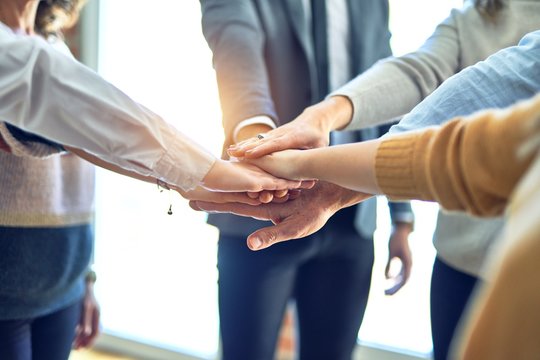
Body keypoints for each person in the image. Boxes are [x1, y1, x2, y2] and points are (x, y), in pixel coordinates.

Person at [194, 24, 540, 359]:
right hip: (272, 209)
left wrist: (391, 212)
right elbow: (419, 74)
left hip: (354, 220)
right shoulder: (479, 11)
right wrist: (268, 137)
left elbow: (475, 147)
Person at [242, 93, 540, 360]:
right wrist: (256, 144)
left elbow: (413, 126)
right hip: (267, 213)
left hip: (355, 224)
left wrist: (401, 218)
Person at [199, 1, 414, 359]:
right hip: (263, 208)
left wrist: (401, 216)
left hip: (352, 215)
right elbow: (234, 43)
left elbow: (389, 83)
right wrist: (257, 137)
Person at [0, 3, 303, 198]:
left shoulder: (54, 44)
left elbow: (82, 145)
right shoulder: (27, 58)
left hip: (68, 286)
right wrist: (208, 172)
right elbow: (40, 79)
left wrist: (194, 183)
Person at [0, 1, 99, 359]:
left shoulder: (58, 48)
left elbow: (81, 178)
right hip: (5, 295)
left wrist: (86, 278)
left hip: (63, 282)